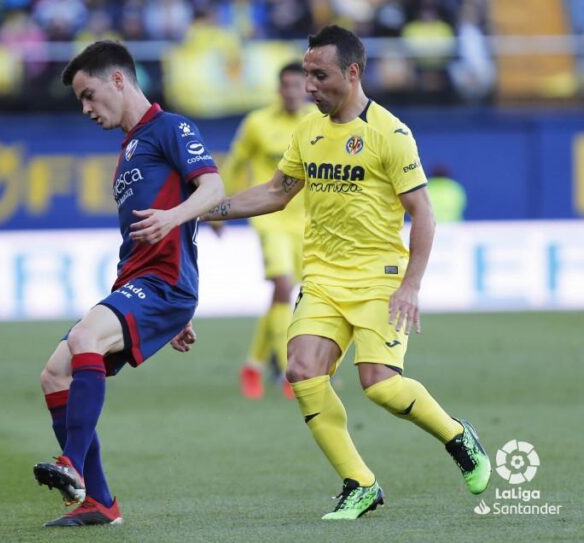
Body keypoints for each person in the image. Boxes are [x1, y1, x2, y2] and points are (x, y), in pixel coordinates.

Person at [203, 25, 490, 520]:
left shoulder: (390, 133)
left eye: (319, 75)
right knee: (301, 371)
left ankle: (458, 436)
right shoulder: (307, 131)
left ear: (352, 72)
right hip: (322, 277)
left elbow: (422, 212)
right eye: (306, 75)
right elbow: (276, 191)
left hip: (379, 278)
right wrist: (211, 209)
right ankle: (360, 483)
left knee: (379, 384)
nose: (309, 86)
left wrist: (411, 286)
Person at [33, 40, 224, 528]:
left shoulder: (171, 128)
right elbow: (158, 237)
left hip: (164, 285)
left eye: (89, 94)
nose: (86, 108)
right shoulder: (129, 150)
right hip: (143, 284)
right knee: (55, 374)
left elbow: (213, 189)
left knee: (84, 339)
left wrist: (171, 221)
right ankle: (99, 502)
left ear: (118, 80)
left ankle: (70, 465)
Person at [220, 61, 312, 399]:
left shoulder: (315, 122)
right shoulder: (258, 123)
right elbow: (234, 163)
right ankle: (290, 372)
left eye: (297, 85)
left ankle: (253, 365)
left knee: (286, 294)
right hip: (269, 216)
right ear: (278, 88)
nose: (291, 91)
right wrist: (219, 210)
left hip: (306, 221)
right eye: (285, 85)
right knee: (284, 285)